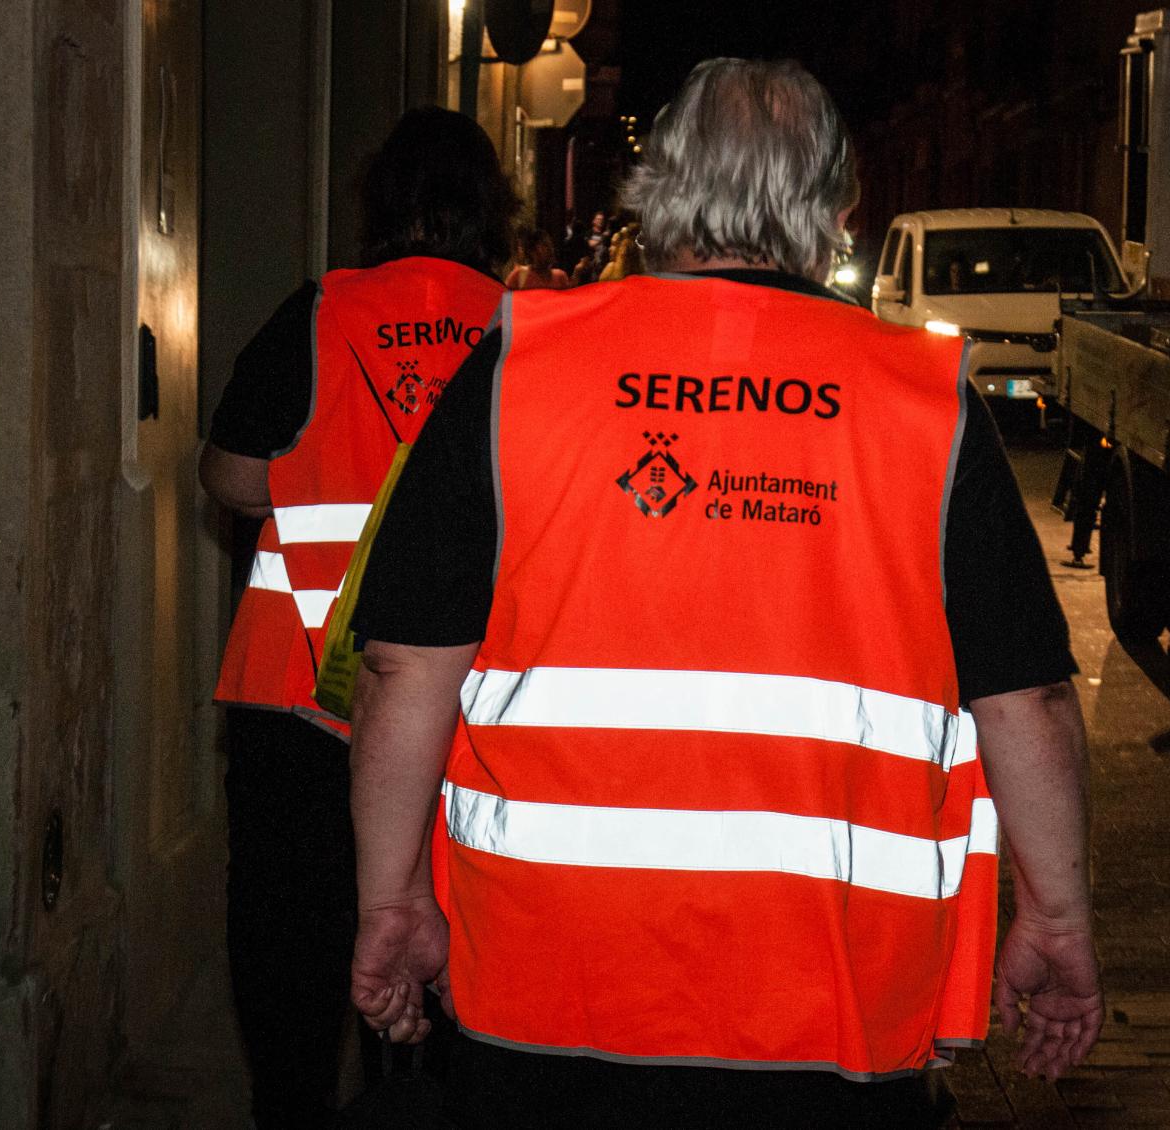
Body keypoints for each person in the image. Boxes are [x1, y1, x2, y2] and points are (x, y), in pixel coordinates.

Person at [346, 58, 1102, 1128]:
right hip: (832, 1011)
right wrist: (1057, 915)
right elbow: (1023, 698)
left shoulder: (518, 366)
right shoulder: (923, 401)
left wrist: (391, 901)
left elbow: (401, 665)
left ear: (653, 190)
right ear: (839, 209)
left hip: (545, 996)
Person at [198, 106, 515, 1129]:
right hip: (460, 718)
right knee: (433, 963)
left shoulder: (319, 309)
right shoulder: (523, 334)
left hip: (294, 706)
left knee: (289, 959)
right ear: (490, 215)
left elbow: (233, 476)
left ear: (379, 208)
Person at [505, 228, 570, 290]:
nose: (551, 250)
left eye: (550, 245)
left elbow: (568, 300)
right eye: (545, 245)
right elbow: (505, 300)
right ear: (532, 251)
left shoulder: (560, 277)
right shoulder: (519, 275)